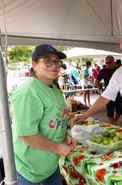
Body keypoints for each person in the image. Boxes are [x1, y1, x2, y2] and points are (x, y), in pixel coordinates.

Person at [9, 44, 76, 184]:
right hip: (30, 171)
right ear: (34, 64)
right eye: (47, 60)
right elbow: (26, 135)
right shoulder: (28, 92)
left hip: (50, 166)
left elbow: (56, 119)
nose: (54, 65)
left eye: (57, 61)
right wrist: (58, 147)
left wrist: (65, 135)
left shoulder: (54, 89)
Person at [95, 55, 122, 125]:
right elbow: (96, 82)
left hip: (119, 94)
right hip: (109, 95)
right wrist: (102, 90)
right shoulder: (103, 71)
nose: (107, 64)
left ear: (114, 62)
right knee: (110, 113)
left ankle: (115, 120)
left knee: (120, 111)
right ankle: (112, 126)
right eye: (106, 63)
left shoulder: (119, 69)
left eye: (109, 62)